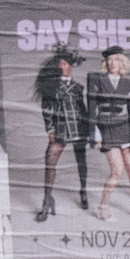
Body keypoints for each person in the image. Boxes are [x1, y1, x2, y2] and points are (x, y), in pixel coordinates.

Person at [87, 46, 130, 224]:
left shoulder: (128, 84)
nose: (112, 63)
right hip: (106, 130)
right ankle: (103, 207)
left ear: (122, 62)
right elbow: (91, 108)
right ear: (105, 62)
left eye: (116, 59)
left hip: (125, 130)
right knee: (117, 171)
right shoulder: (96, 79)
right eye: (109, 60)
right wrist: (94, 132)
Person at [32, 44, 90, 223]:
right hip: (61, 129)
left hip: (79, 127)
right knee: (50, 160)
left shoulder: (78, 88)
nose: (61, 66)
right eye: (60, 63)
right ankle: (47, 200)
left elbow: (83, 109)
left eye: (65, 63)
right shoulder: (52, 86)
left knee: (81, 160)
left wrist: (89, 129)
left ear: (70, 66)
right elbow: (46, 109)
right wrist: (50, 129)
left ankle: (84, 191)